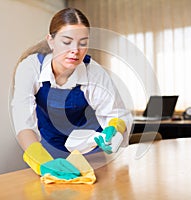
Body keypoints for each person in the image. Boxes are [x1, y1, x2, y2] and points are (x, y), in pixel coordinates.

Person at [11, 8, 132, 178]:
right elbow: (23, 123)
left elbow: (117, 113)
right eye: (67, 42)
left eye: (83, 43)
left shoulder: (94, 72)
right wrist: (42, 161)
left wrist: (114, 129)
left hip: (91, 152)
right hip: (47, 149)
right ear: (51, 41)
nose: (75, 50)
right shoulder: (30, 68)